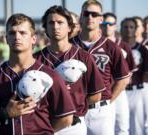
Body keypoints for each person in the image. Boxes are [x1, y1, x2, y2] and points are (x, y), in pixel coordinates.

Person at [0, 13, 75, 135]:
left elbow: (65, 118)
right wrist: (5, 114)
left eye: (23, 33)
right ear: (6, 38)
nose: (17, 37)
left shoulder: (50, 75)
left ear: (33, 38)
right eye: (12, 33)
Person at [34, 5, 105, 135]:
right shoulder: (36, 59)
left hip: (73, 126)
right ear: (45, 28)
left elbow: (96, 95)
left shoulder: (84, 56)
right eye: (51, 23)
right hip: (44, 123)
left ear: (69, 28)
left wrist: (73, 105)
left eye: (60, 22)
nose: (55, 26)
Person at [71, 1, 130, 135]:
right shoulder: (70, 44)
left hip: (101, 111)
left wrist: (108, 102)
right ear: (81, 16)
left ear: (101, 19)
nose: (90, 17)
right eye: (86, 14)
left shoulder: (111, 47)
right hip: (74, 109)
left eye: (94, 14)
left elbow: (123, 80)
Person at [101, 12, 137, 135]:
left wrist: (121, 84)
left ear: (115, 26)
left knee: (122, 127)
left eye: (111, 24)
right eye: (105, 23)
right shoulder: (96, 45)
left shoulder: (124, 46)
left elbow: (131, 69)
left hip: (120, 92)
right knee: (106, 129)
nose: (107, 26)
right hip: (102, 94)